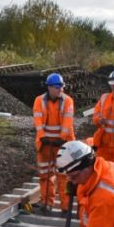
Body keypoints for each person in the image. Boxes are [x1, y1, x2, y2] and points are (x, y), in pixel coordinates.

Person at [32, 73, 76, 213]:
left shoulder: (67, 101)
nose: (60, 90)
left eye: (61, 87)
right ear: (49, 88)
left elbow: (67, 122)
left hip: (62, 145)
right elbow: (38, 121)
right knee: (45, 174)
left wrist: (62, 138)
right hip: (45, 145)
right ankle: (46, 203)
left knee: (63, 176)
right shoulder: (39, 101)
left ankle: (65, 206)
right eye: (57, 87)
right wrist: (42, 136)